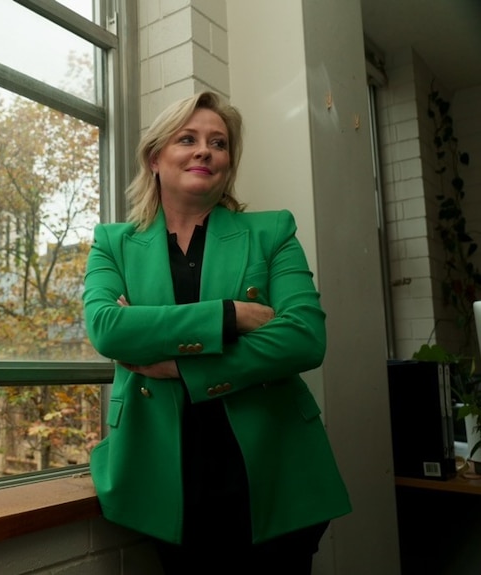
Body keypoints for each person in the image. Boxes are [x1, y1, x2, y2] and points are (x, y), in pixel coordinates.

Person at [83, 91, 351, 574]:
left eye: (219, 143)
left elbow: (304, 337)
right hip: (165, 480)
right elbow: (108, 329)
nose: (205, 150)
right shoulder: (113, 244)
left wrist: (181, 367)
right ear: (155, 157)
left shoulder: (271, 233)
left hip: (274, 473)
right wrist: (233, 315)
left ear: (228, 164)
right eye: (188, 139)